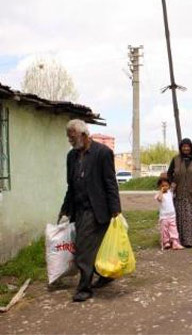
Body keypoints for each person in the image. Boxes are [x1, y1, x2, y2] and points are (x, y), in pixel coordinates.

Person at [59, 119, 121, 302]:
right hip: (78, 208)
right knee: (97, 247)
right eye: (69, 139)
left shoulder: (103, 153)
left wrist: (115, 209)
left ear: (84, 135)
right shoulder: (71, 156)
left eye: (73, 138)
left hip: (97, 209)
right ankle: (105, 275)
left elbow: (110, 183)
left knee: (84, 249)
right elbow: (70, 185)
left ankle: (85, 287)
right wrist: (65, 208)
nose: (70, 142)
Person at [155, 176, 184, 250]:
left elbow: (174, 186)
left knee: (173, 229)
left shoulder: (170, 193)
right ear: (159, 186)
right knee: (164, 230)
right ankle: (166, 242)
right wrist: (161, 191)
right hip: (164, 217)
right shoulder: (158, 194)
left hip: (172, 215)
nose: (165, 187)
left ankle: (175, 242)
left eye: (166, 185)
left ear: (169, 186)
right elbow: (160, 199)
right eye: (162, 186)